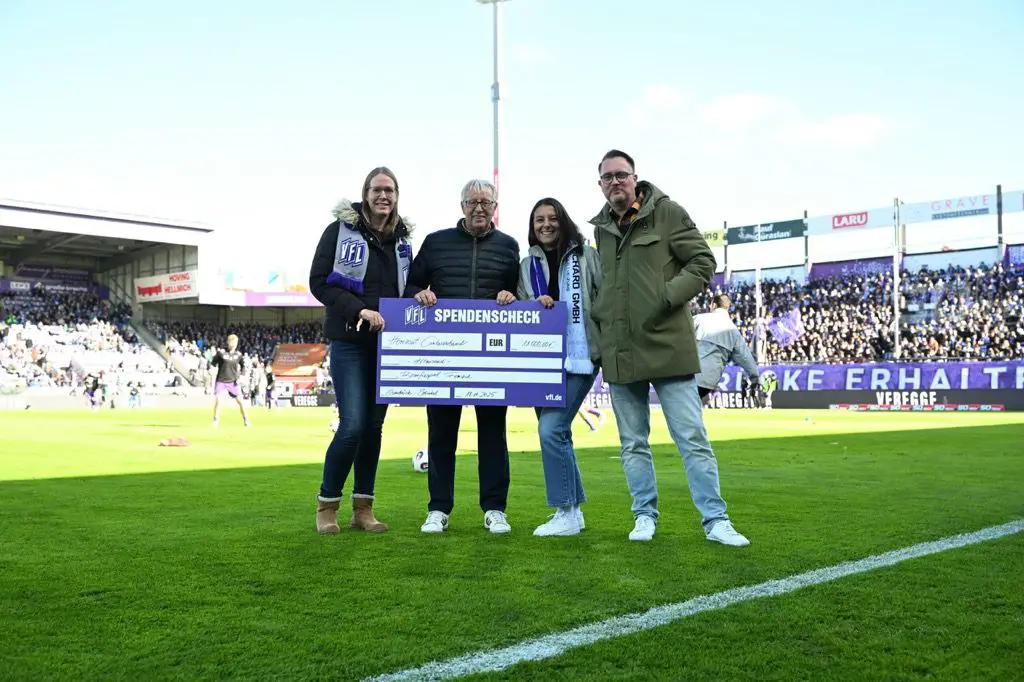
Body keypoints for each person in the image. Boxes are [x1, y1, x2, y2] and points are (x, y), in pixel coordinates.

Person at [588, 149, 750, 546]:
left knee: (691, 438)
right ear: (600, 184)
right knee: (632, 443)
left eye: (621, 175)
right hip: (622, 349)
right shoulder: (601, 229)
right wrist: (603, 314)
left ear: (635, 177)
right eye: (607, 177)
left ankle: (715, 520)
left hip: (667, 345)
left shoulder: (669, 212)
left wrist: (665, 296)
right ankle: (644, 516)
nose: (615, 182)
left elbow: (702, 262)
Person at [403, 178, 520, 535]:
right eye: (473, 202)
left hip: (490, 359)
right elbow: (409, 287)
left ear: (495, 207)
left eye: (487, 202)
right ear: (462, 206)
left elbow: (519, 293)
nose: (480, 208)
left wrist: (510, 296)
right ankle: (438, 508)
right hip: (443, 358)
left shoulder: (509, 246)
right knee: (440, 434)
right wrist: (419, 296)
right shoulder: (435, 243)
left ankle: (495, 508)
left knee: (493, 435)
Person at [308, 166, 414, 535]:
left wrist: (423, 292)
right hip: (350, 341)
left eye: (390, 190)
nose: (383, 196)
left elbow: (409, 287)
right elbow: (318, 283)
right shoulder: (340, 231)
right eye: (377, 189)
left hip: (388, 346)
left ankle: (363, 508)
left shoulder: (403, 241)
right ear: (365, 193)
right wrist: (359, 310)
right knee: (352, 425)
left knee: (374, 427)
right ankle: (327, 505)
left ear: (397, 196)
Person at [516, 197, 602, 537]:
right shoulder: (526, 264)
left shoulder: (587, 255)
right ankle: (574, 512)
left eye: (552, 218)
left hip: (580, 358)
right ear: (532, 226)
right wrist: (531, 303)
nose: (546, 224)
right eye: (539, 220)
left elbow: (604, 298)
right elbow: (523, 308)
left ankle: (565, 511)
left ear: (563, 221)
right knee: (558, 433)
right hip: (541, 360)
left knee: (550, 430)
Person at [693, 294, 760, 406]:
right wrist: (755, 378)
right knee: (691, 408)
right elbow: (746, 358)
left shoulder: (699, 319)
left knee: (683, 409)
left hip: (692, 376)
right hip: (709, 382)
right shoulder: (733, 331)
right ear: (727, 307)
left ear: (713, 305)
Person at [211, 334, 251, 427]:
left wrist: (241, 376)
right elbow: (213, 363)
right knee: (219, 401)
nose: (233, 344)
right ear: (228, 342)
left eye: (235, 342)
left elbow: (244, 367)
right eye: (231, 342)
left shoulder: (238, 355)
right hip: (221, 380)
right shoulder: (221, 353)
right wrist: (215, 356)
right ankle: (215, 421)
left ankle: (246, 420)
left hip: (233, 381)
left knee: (240, 401)